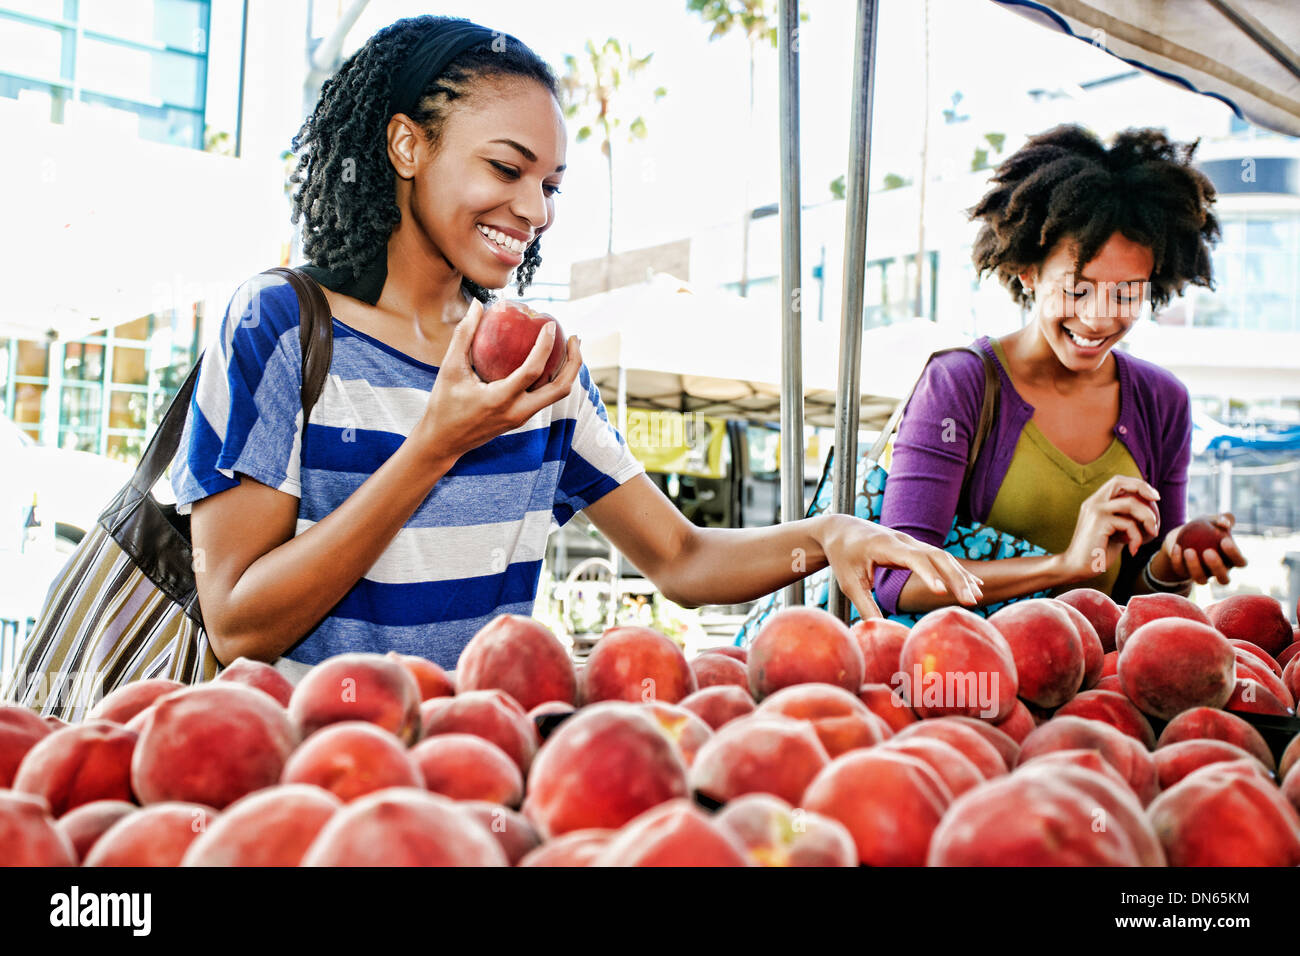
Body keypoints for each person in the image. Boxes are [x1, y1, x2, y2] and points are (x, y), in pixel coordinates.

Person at [170, 15, 983, 676]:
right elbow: (240, 624)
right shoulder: (279, 324)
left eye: (551, 185)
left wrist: (829, 534)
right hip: (318, 786)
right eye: (507, 168)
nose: (536, 211)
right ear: (407, 147)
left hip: (485, 776)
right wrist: (436, 445)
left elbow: (680, 556)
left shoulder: (539, 364)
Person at [873, 125, 1245, 618]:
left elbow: (1139, 603)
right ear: (1028, 271)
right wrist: (1065, 565)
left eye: (1128, 292)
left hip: (1088, 684)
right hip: (964, 677)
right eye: (1076, 288)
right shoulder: (960, 384)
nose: (1099, 317)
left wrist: (1170, 567)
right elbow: (897, 580)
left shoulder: (1163, 401)